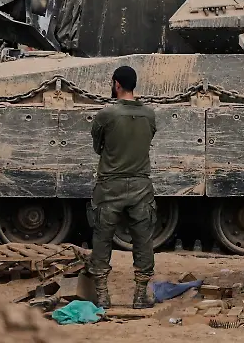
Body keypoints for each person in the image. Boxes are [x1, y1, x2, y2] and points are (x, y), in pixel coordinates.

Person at [87, 65, 158, 310]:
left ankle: (103, 296)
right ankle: (140, 296)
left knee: (102, 239)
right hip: (140, 186)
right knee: (143, 241)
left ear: (116, 84)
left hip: (109, 187)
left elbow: (98, 148)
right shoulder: (149, 115)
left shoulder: (106, 114)